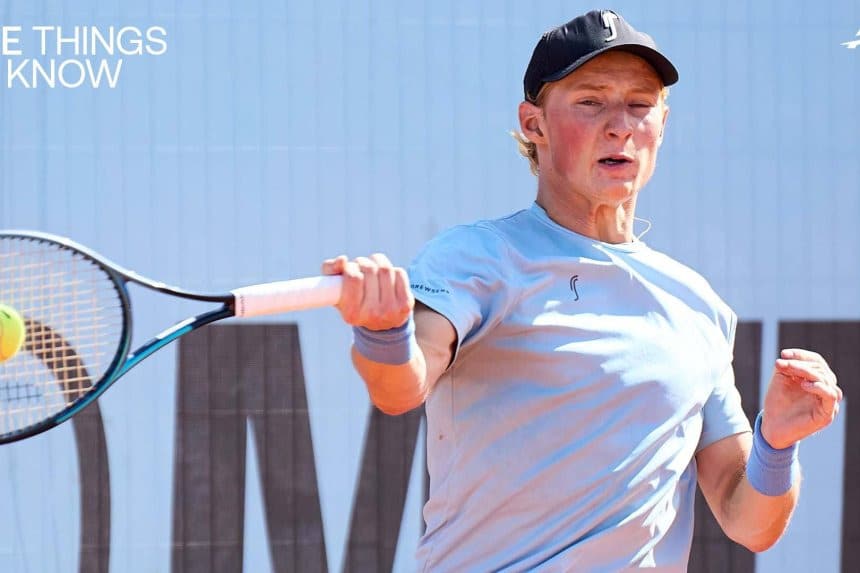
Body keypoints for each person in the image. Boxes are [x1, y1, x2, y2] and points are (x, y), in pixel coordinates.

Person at [322, 9, 842, 571]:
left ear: (662, 124)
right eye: (591, 102)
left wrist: (777, 442)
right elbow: (401, 388)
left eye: (640, 104)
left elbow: (750, 522)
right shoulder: (474, 258)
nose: (620, 125)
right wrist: (383, 333)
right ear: (534, 124)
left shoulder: (698, 306)